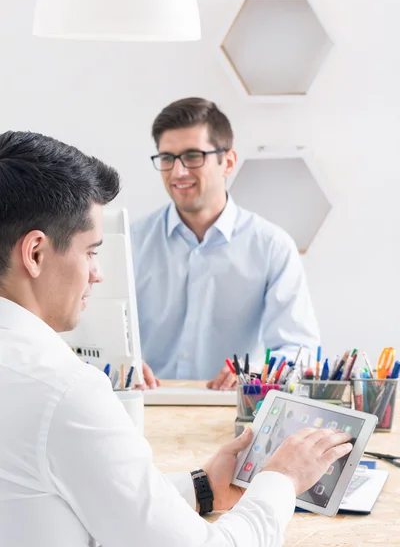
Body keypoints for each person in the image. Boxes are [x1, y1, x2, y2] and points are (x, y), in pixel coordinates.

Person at [0, 130, 352, 547]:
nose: (98, 273)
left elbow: (76, 491)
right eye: (91, 252)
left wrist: (201, 486)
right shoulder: (64, 392)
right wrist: (281, 479)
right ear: (36, 253)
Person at [131, 98, 320, 390]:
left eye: (193, 156)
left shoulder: (272, 246)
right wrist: (122, 363)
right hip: (144, 406)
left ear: (228, 162)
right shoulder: (131, 242)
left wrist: (255, 372)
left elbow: (298, 349)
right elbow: (94, 338)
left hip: (233, 409)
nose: (178, 172)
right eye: (167, 158)